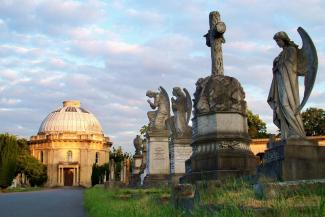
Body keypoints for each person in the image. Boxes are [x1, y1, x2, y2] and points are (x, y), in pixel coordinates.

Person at [267, 31, 305, 139]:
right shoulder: (281, 53)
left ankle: (296, 130)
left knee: (285, 104)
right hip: (280, 81)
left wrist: (278, 64)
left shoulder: (292, 50)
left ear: (284, 39)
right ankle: (287, 132)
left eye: (278, 41)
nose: (278, 43)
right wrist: (275, 63)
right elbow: (277, 68)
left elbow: (291, 65)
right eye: (276, 42)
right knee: (281, 105)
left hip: (288, 82)